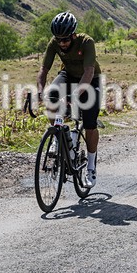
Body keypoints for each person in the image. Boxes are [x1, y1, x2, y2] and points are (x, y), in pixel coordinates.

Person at [36, 11, 102, 187]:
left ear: (73, 34)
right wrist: (40, 91)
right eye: (58, 39)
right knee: (51, 96)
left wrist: (75, 95)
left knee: (90, 123)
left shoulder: (86, 42)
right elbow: (44, 69)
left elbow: (89, 72)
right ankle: (57, 138)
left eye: (65, 39)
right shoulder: (54, 43)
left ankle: (90, 166)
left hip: (91, 79)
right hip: (68, 75)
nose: (62, 43)